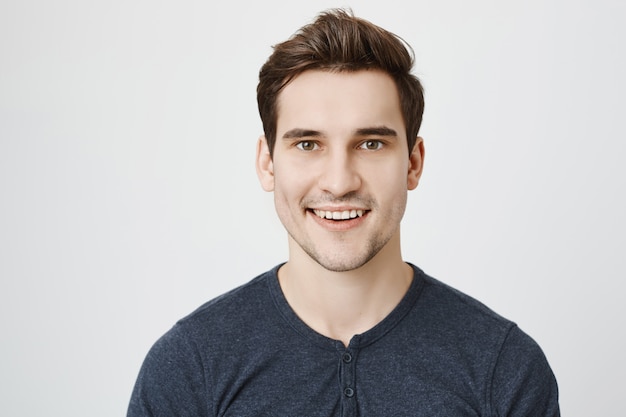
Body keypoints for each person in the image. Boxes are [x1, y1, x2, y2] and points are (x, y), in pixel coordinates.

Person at [128, 9, 560, 416]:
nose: (339, 181)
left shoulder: (504, 369)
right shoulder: (189, 368)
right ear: (267, 163)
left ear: (413, 163)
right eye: (307, 144)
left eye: (371, 144)